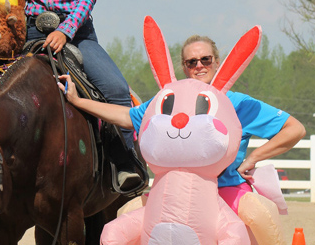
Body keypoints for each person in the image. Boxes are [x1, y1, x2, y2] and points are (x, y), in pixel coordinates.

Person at [57, 33, 306, 243]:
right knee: (124, 213)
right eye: (191, 61)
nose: (199, 65)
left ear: (217, 62)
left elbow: (295, 129)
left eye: (205, 59)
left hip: (225, 190)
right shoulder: (168, 101)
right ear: (184, 67)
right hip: (172, 194)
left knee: (259, 214)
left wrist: (254, 157)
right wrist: (79, 101)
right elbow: (126, 116)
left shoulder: (237, 103)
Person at [0, 0, 143, 191]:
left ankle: (125, 160)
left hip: (75, 32)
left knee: (115, 88)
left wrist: (64, 31)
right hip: (31, 29)